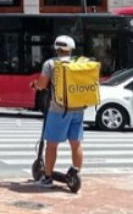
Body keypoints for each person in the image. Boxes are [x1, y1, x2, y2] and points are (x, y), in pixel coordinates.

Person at [29, 35, 84, 188]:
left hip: (58, 109)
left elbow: (42, 84)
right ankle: (75, 172)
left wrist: (35, 85)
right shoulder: (79, 64)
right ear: (71, 49)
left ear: (57, 48)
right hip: (78, 108)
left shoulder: (51, 64)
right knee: (76, 143)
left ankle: (47, 178)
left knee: (52, 144)